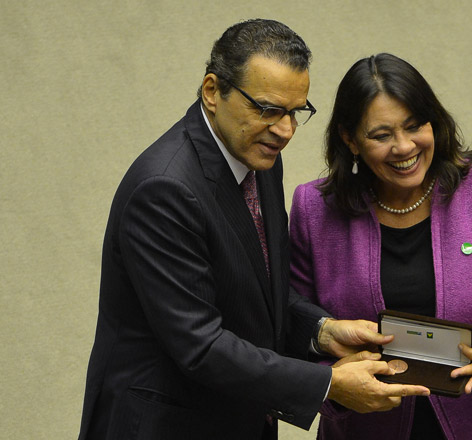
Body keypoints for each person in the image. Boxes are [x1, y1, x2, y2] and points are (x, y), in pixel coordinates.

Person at [78, 22, 429, 440]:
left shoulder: (258, 155)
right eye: (267, 109)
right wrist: (328, 384)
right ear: (212, 91)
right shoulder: (165, 189)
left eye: (295, 112)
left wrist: (323, 331)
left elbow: (257, 289)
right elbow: (201, 346)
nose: (284, 130)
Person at [289, 53, 472, 439]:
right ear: (350, 139)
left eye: (414, 126)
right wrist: (335, 384)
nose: (404, 146)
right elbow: (292, 319)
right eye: (381, 135)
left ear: (434, 121)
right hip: (362, 429)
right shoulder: (315, 209)